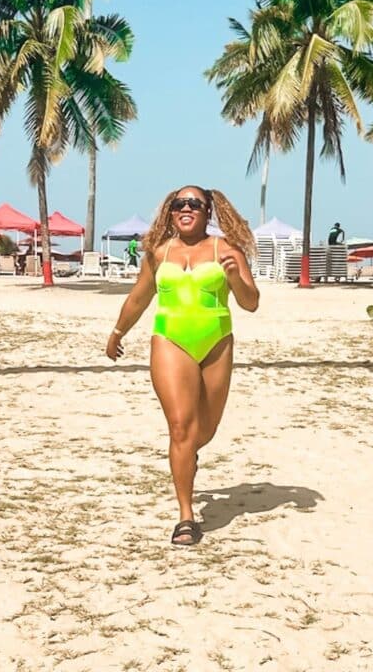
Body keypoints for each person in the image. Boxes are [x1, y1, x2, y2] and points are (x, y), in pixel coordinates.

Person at [105, 185, 259, 547]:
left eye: (195, 204)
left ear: (209, 211)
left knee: (205, 429)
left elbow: (250, 303)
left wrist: (235, 277)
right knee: (180, 428)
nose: (186, 208)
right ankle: (186, 515)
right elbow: (139, 297)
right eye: (179, 204)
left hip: (217, 342)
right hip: (170, 340)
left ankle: (188, 453)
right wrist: (117, 331)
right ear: (169, 212)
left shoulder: (228, 250)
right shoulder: (159, 253)